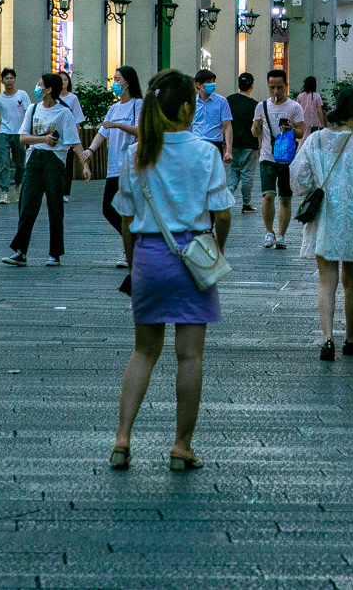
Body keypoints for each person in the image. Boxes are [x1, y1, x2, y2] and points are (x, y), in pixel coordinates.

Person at [109, 69, 234, 472]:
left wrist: (134, 262)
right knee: (189, 356)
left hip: (148, 255)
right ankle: (181, 446)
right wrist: (216, 246)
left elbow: (126, 221)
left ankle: (122, 439)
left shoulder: (137, 154)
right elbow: (224, 213)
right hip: (193, 255)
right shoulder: (205, 152)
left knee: (143, 352)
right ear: (185, 107)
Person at [291, 84, 353, 361]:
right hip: (352, 218)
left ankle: (327, 339)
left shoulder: (316, 139)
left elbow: (298, 179)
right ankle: (350, 337)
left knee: (327, 281)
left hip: (323, 215)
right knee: (351, 281)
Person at [4, 72, 73, 267]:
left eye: (40, 84)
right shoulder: (33, 109)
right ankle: (20, 251)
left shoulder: (64, 112)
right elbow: (22, 137)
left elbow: (73, 140)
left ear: (49, 90)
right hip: (34, 158)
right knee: (27, 204)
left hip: (55, 160)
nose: (37, 87)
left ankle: (55, 253)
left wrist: (85, 163)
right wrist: (43, 139)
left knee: (55, 207)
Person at [98, 66, 145, 266]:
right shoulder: (113, 108)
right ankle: (133, 242)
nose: (115, 84)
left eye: (118, 79)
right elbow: (103, 132)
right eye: (114, 79)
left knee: (128, 210)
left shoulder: (138, 104)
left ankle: (131, 250)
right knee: (109, 208)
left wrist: (118, 125)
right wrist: (89, 151)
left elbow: (141, 130)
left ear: (128, 83)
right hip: (113, 166)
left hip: (131, 165)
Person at [256, 68, 305, 249]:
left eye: (279, 87)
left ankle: (281, 235)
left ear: (286, 86)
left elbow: (301, 132)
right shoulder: (261, 106)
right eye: (271, 87)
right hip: (267, 157)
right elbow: (255, 133)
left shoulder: (294, 107)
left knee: (285, 199)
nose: (275, 91)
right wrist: (256, 126)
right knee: (268, 196)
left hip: (287, 159)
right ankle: (269, 232)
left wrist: (292, 128)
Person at [0, 67, 33, 206]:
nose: (9, 81)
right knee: (3, 162)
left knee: (20, 164)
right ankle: (4, 192)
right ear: (2, 81)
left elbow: (28, 114)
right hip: (4, 133)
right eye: (6, 78)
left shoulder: (22, 95)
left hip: (19, 134)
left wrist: (30, 133)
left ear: (15, 80)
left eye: (11, 78)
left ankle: (18, 186)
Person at [225, 72, 260, 213]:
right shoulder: (255, 105)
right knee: (247, 175)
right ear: (252, 85)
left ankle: (226, 198)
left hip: (233, 143)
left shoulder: (229, 100)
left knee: (234, 172)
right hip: (250, 144)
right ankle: (246, 204)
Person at [191, 69, 232, 163]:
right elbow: (188, 125)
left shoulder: (221, 101)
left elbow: (227, 126)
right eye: (209, 82)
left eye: (213, 81)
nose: (212, 84)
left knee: (214, 175)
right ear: (199, 85)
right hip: (196, 142)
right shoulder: (192, 102)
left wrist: (228, 151)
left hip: (215, 143)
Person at [58, 70, 85, 199]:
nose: (63, 82)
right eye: (61, 79)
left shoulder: (73, 98)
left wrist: (76, 139)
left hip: (68, 136)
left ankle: (65, 192)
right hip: (55, 136)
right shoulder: (53, 98)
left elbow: (77, 120)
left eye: (65, 79)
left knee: (67, 164)